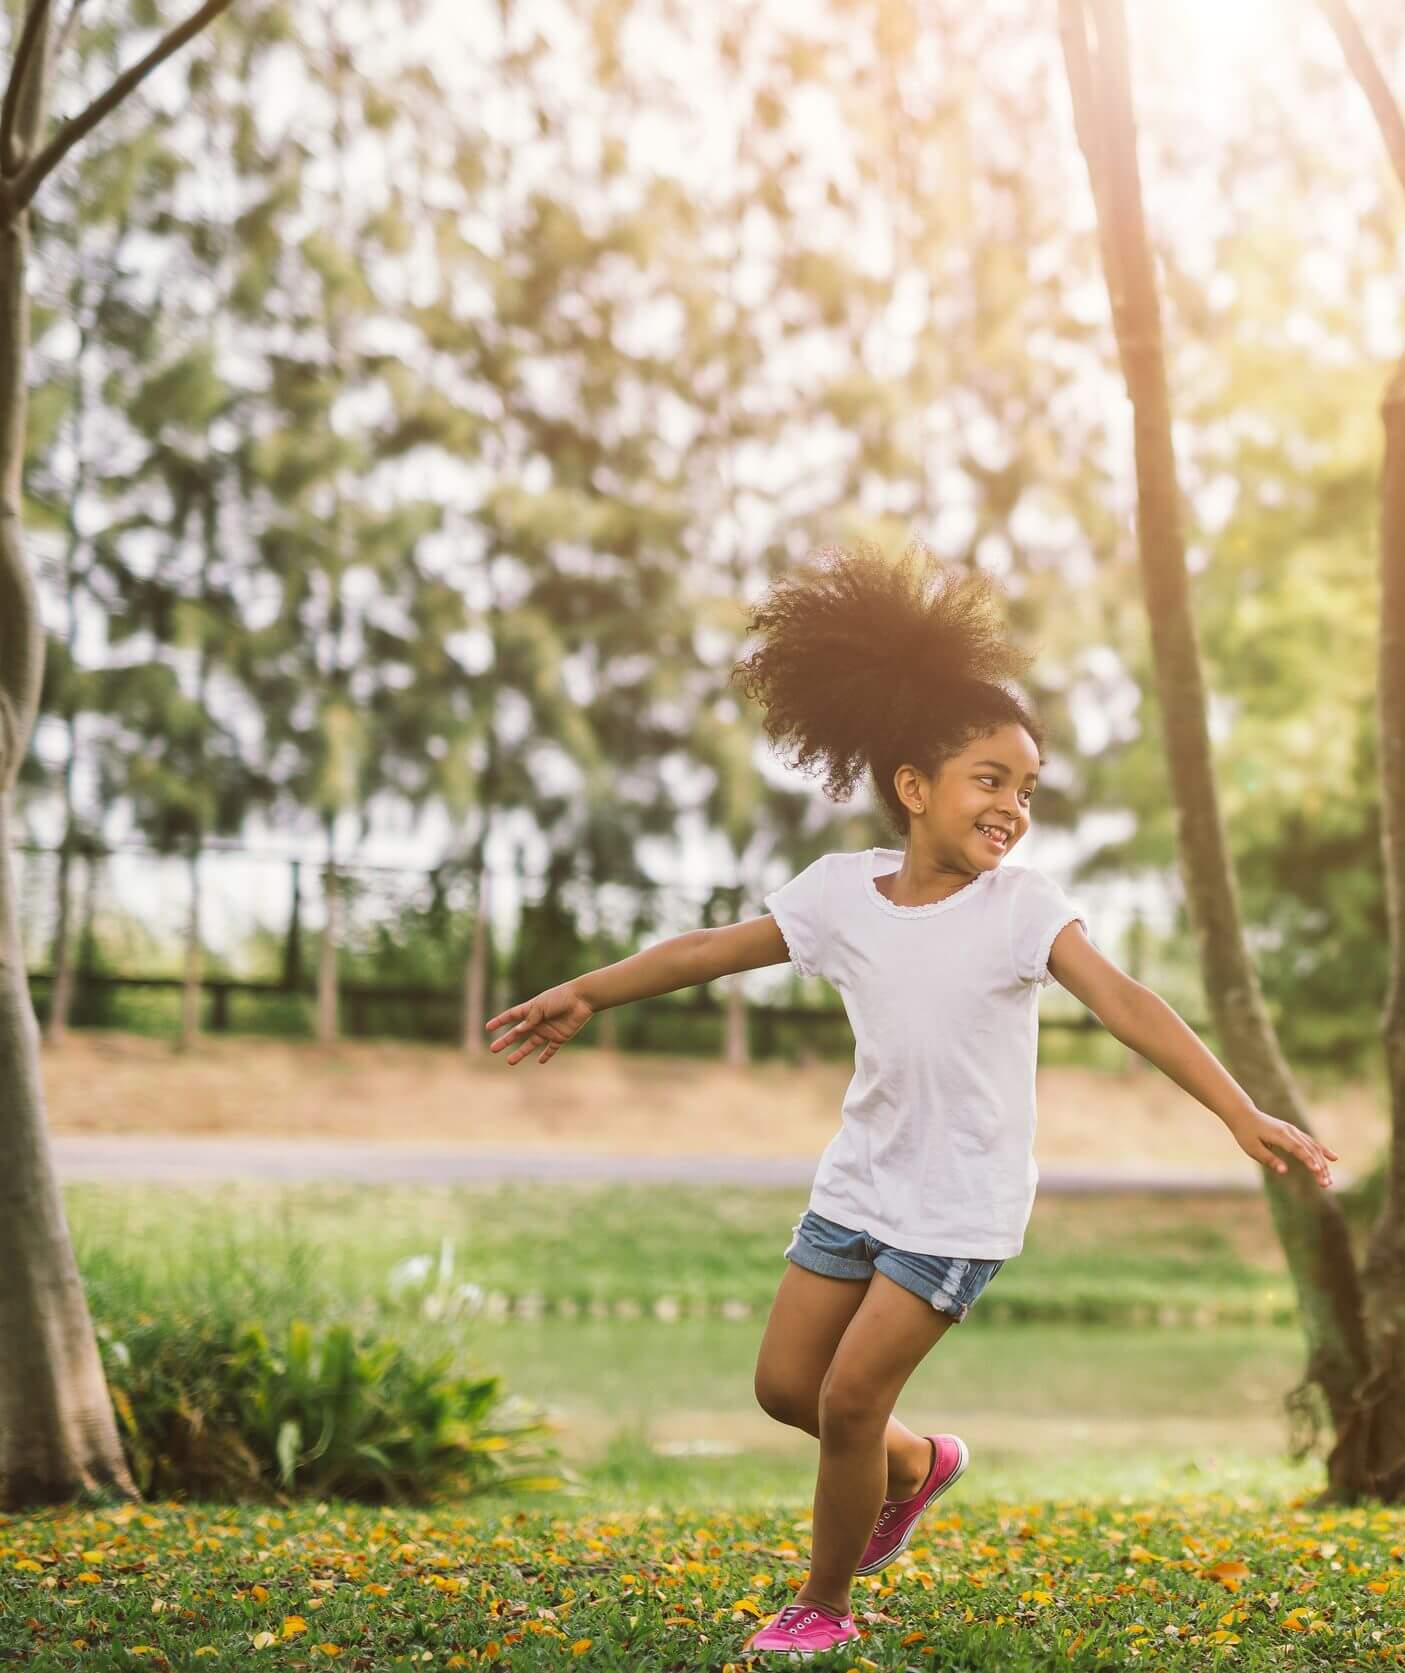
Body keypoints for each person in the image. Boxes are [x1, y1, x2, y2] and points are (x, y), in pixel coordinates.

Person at [486, 544, 1336, 1661]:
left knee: (845, 1399)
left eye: (1026, 787)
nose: (1013, 806)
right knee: (785, 1384)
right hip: (861, 1178)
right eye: (990, 778)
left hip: (960, 1202)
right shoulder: (839, 894)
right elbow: (711, 948)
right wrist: (586, 991)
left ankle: (822, 1604)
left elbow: (1128, 1002)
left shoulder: (1022, 908)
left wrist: (1239, 1110)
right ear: (912, 785)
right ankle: (919, 1460)